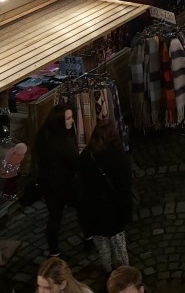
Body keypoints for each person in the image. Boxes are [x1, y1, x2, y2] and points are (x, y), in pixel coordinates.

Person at [78, 121, 132, 273]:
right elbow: (124, 187)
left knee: (103, 247)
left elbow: (81, 187)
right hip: (114, 210)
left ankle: (108, 272)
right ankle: (125, 275)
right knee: (119, 246)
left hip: (93, 211)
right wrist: (126, 213)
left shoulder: (85, 156)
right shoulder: (118, 156)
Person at [34, 103, 85, 257]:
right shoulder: (63, 141)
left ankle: (54, 251)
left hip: (49, 184)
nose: (72, 121)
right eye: (68, 118)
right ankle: (89, 237)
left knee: (54, 217)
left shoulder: (43, 135)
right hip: (66, 184)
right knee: (83, 209)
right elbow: (76, 162)